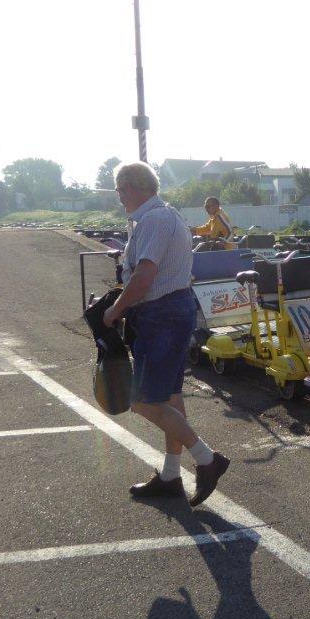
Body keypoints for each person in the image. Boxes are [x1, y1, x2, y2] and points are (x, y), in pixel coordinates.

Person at [103, 162, 229, 506]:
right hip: (171, 310)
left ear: (131, 187)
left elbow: (144, 276)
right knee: (170, 397)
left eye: (119, 190)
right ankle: (171, 475)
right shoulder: (164, 215)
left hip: (161, 314)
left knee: (143, 400)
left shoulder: (154, 220)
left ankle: (207, 460)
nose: (119, 197)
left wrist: (115, 310)